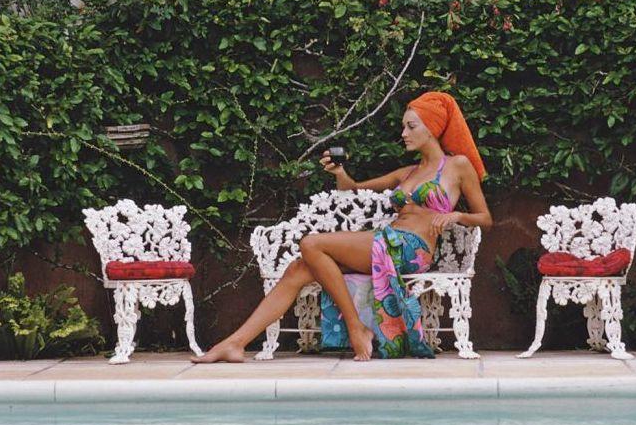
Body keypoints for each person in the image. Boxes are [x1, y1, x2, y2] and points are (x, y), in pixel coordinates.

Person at [191, 91, 492, 363]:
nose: (404, 133)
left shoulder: (457, 166)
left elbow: (485, 218)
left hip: (411, 249)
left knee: (311, 243)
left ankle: (356, 327)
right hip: (385, 241)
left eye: (411, 126)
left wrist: (456, 217)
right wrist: (339, 171)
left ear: (433, 127)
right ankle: (235, 343)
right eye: (403, 126)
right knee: (299, 269)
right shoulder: (407, 172)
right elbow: (354, 187)